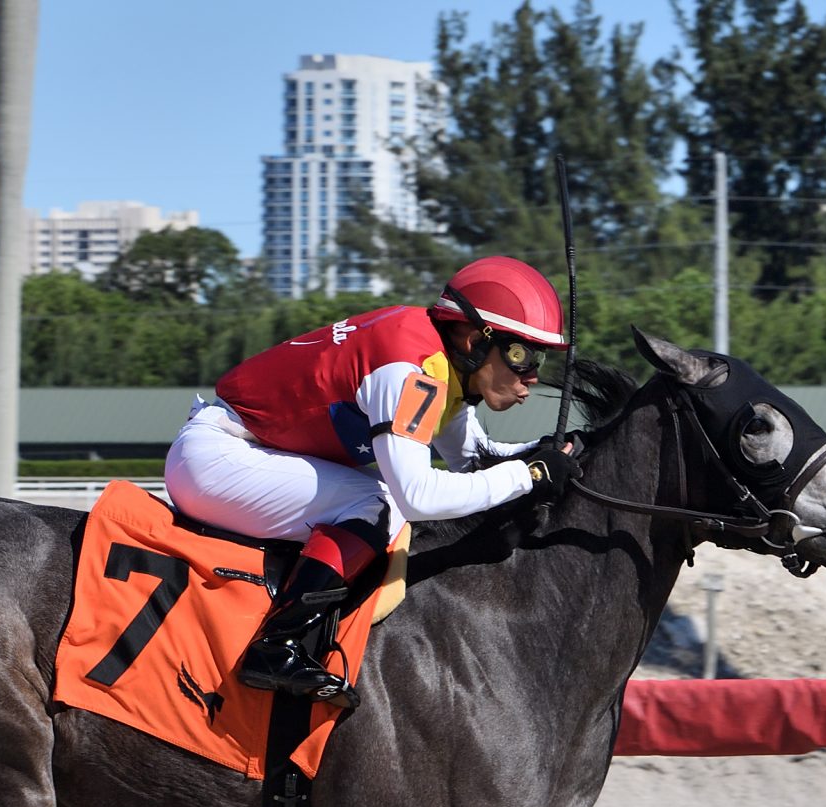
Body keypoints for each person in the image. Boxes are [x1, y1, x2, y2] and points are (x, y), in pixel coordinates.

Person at [165, 255, 581, 709]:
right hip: (216, 457)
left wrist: (541, 454)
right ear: (471, 338)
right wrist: (531, 474)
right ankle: (276, 645)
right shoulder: (410, 370)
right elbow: (417, 495)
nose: (532, 377)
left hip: (247, 451)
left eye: (535, 358)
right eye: (521, 355)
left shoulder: (445, 366)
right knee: (378, 504)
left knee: (379, 502)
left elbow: (473, 463)